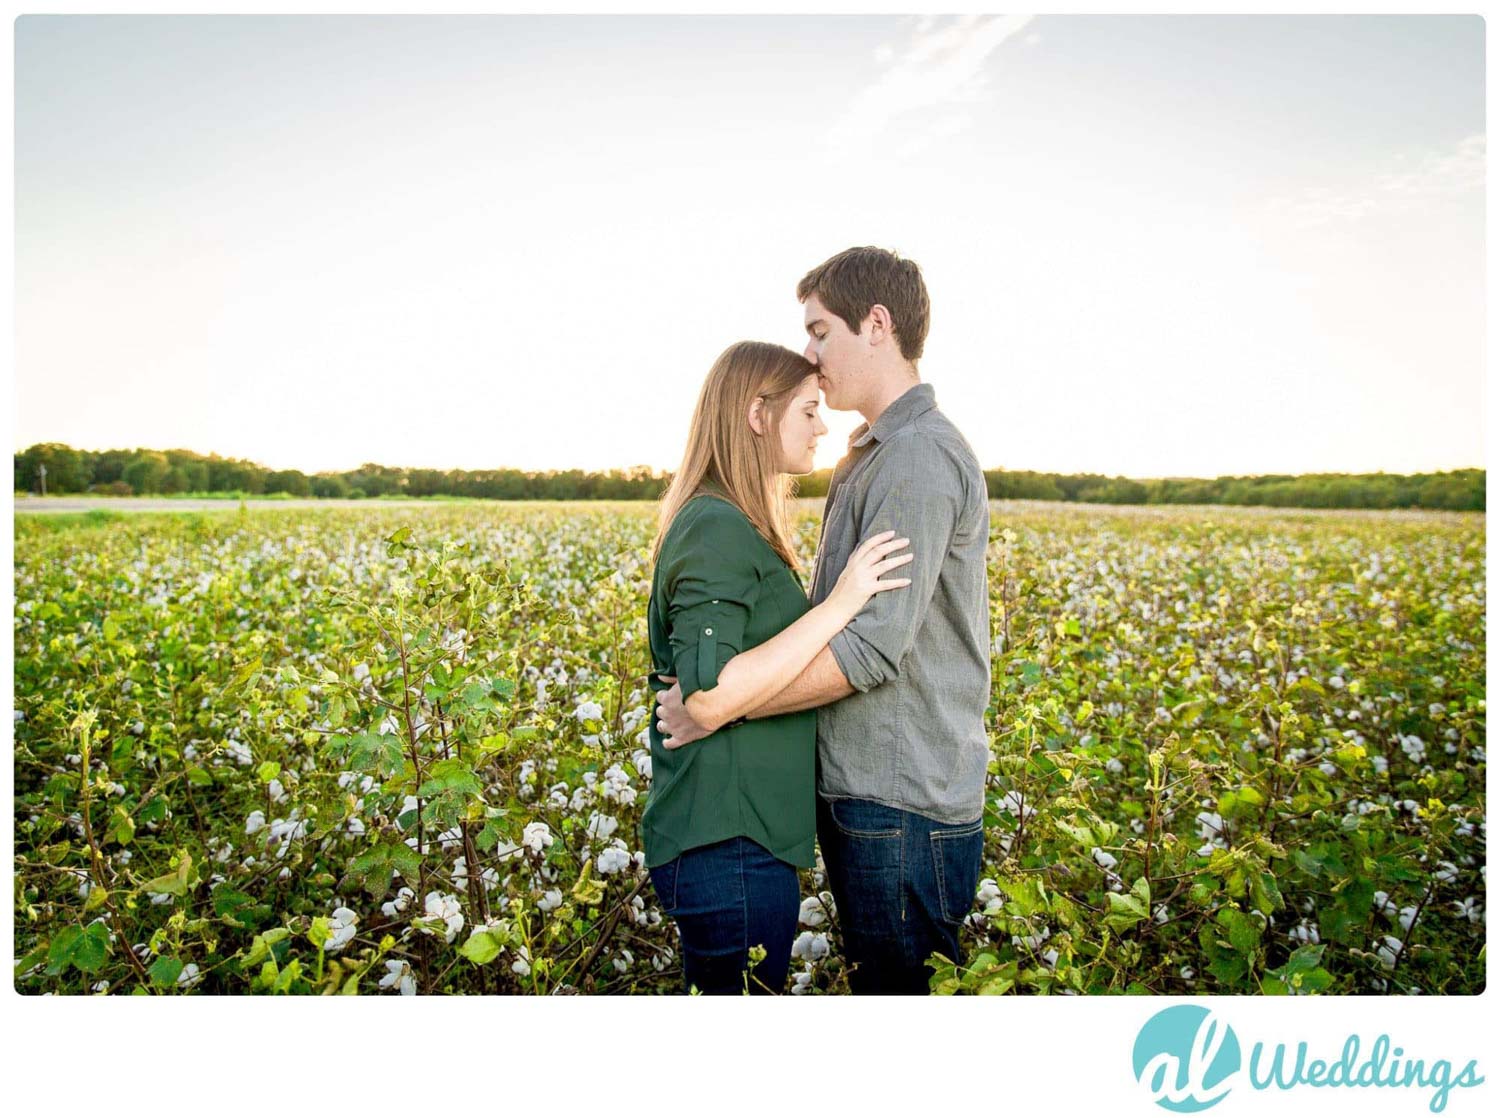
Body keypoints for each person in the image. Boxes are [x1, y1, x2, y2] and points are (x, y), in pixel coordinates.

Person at [654, 248, 992, 994]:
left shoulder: (914, 458)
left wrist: (719, 709)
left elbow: (870, 648)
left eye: (819, 330)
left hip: (900, 800)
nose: (809, 354)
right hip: (868, 795)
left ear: (877, 325)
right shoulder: (868, 457)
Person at [641, 339, 914, 995]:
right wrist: (843, 601)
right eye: (809, 411)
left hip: (741, 839)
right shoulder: (716, 528)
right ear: (758, 415)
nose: (824, 426)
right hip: (727, 840)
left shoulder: (732, 521)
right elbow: (708, 698)